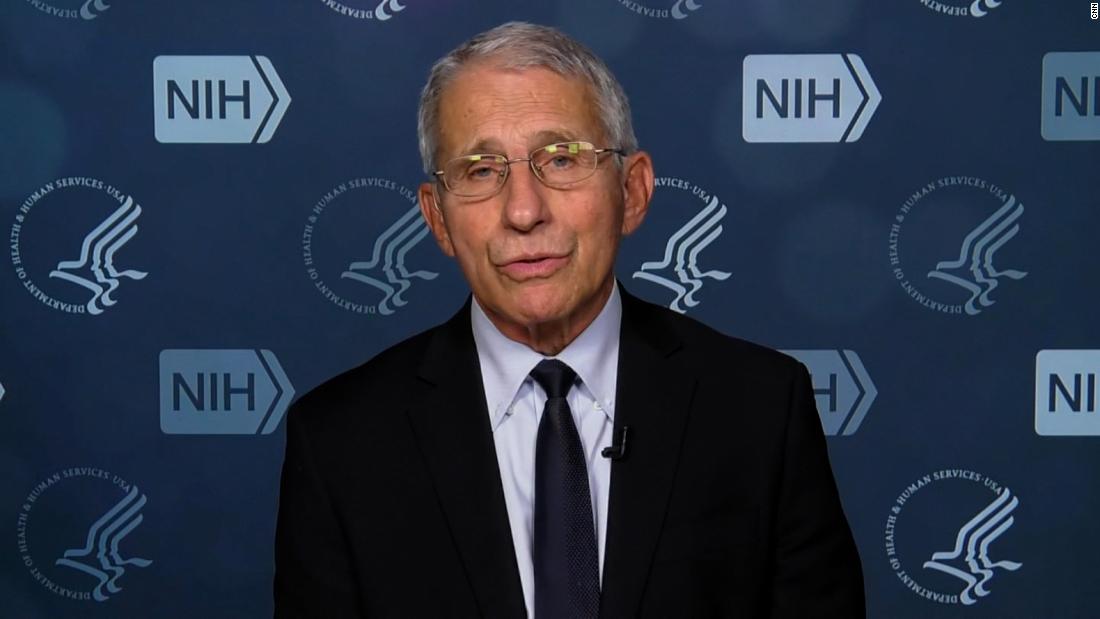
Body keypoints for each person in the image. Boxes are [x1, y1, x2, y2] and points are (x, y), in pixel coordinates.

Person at [274, 21, 864, 619]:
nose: (523, 211)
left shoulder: (761, 409)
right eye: (481, 170)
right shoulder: (340, 445)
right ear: (438, 219)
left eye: (561, 160)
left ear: (632, 191)